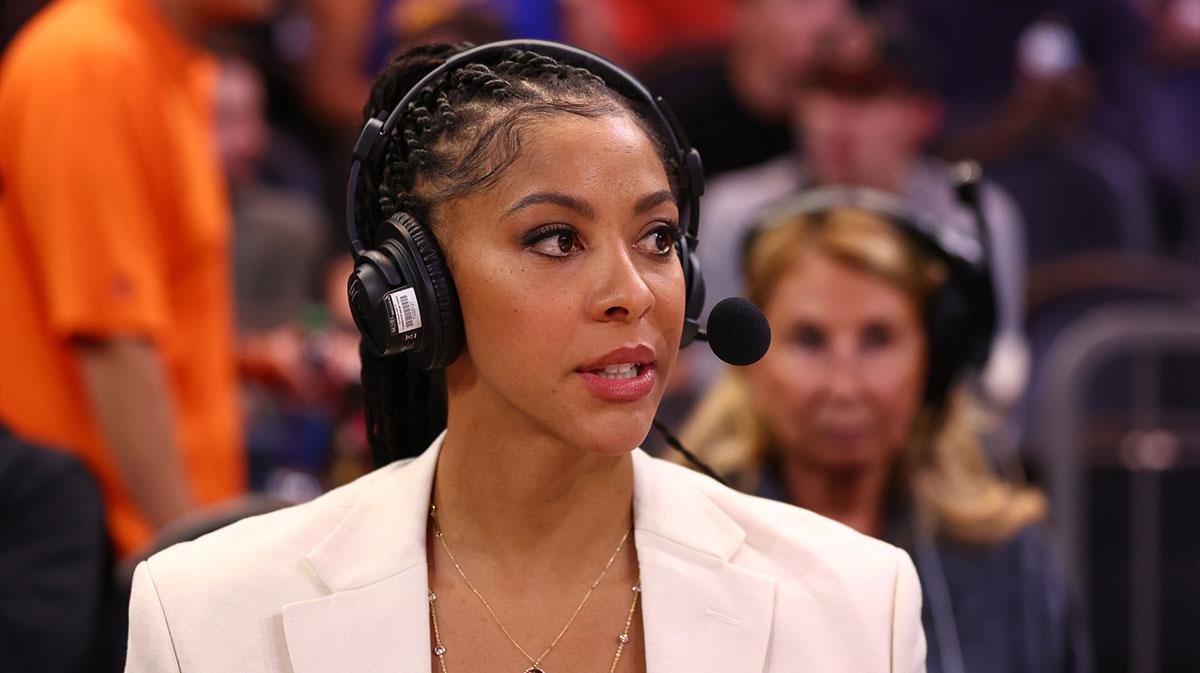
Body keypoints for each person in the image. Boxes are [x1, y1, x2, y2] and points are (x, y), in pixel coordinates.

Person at [124, 41, 925, 672]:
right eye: (556, 239)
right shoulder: (205, 615)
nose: (633, 293)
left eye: (656, 237)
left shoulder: (855, 602)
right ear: (421, 287)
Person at [682, 195, 1091, 673]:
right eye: (809, 340)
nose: (844, 385)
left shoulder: (1013, 564)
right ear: (750, 362)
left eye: (878, 339)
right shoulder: (680, 543)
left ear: (933, 361)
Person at [693, 14, 1031, 413]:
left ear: (924, 115)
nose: (840, 119)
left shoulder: (972, 215)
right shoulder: (734, 213)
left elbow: (997, 367)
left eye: (868, 95)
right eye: (825, 90)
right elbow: (713, 366)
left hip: (928, 433)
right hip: (764, 438)